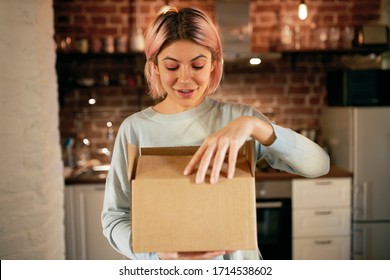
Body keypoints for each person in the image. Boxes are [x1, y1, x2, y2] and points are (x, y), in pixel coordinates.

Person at [101, 6, 330, 260]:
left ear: (213, 64)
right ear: (154, 67)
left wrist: (256, 126)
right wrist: (155, 255)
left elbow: (319, 165)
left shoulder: (237, 119)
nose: (185, 80)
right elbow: (115, 217)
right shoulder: (135, 129)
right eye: (172, 67)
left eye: (197, 65)